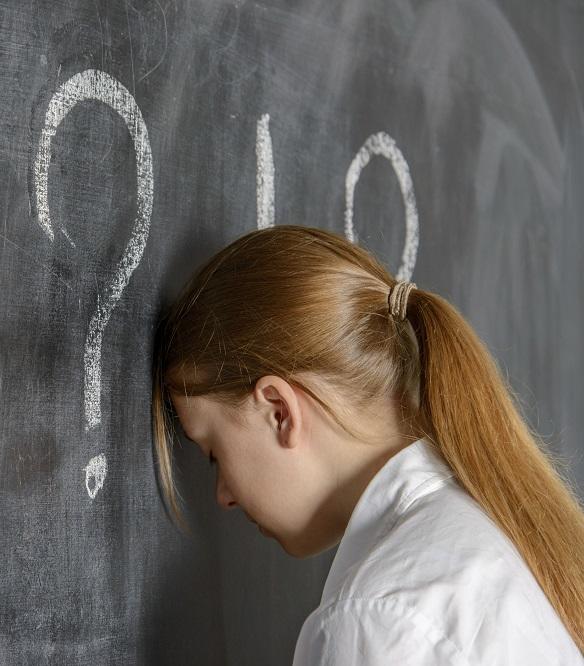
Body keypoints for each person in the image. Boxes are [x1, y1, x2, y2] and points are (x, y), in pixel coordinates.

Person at [150, 225, 584, 663]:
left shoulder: (379, 618)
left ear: (279, 412)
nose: (223, 496)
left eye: (213, 455)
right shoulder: (490, 535)